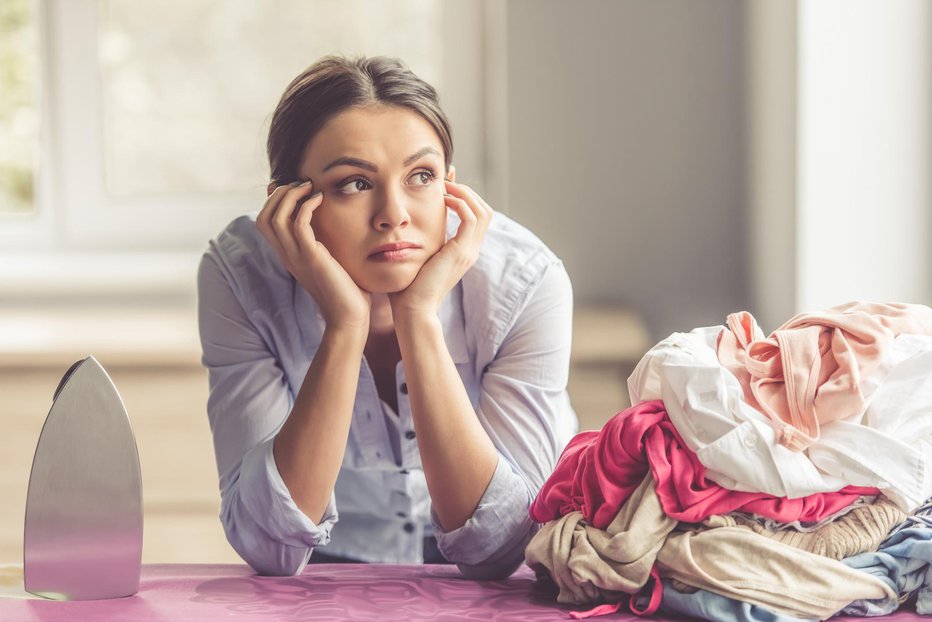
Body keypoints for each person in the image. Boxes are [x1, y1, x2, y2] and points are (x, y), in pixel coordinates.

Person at [197, 55, 577, 579]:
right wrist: (345, 325)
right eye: (354, 183)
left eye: (421, 176)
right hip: (326, 567)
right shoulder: (241, 278)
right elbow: (270, 548)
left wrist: (418, 318)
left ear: (450, 185)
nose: (393, 213)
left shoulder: (525, 282)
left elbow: (500, 550)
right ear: (288, 204)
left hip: (486, 583)